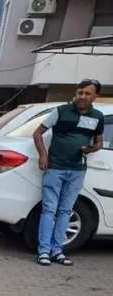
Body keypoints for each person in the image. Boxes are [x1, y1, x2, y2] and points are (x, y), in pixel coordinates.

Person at [32, 79, 105, 266]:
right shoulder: (61, 112)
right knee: (49, 209)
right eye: (80, 92)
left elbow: (99, 143)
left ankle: (58, 251)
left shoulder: (97, 117)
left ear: (95, 96)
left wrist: (91, 149)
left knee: (65, 211)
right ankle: (44, 252)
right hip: (55, 168)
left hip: (77, 170)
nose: (82, 96)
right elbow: (37, 133)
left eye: (87, 93)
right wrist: (43, 155)